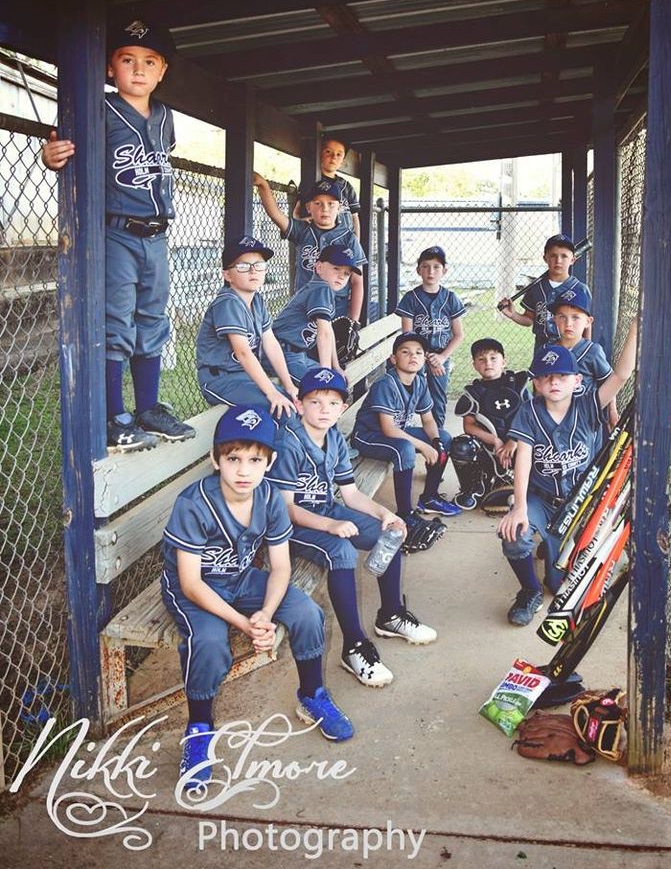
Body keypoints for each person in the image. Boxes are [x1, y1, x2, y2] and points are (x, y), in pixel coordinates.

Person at [161, 405, 354, 789]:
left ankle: (312, 694)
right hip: (198, 589)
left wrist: (265, 612)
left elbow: (280, 567)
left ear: (271, 461)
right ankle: (199, 728)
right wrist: (243, 624)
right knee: (210, 642)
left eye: (255, 459)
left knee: (306, 613)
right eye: (233, 458)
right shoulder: (194, 503)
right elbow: (191, 585)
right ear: (215, 459)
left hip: (242, 578)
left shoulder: (268, 497)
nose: (244, 470)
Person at [41, 18, 195, 451]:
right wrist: (53, 157)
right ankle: (116, 415)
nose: (139, 69)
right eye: (128, 60)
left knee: (153, 319)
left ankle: (148, 408)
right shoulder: (99, 108)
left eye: (149, 61)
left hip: (159, 235)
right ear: (110, 68)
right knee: (117, 324)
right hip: (118, 233)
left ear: (162, 71)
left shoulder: (165, 117)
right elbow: (63, 151)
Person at [267, 367, 436, 688]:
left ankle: (391, 614)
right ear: (299, 404)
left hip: (327, 510)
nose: (324, 410)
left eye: (332, 403)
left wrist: (384, 514)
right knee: (341, 551)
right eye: (315, 402)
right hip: (288, 528)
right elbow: (284, 509)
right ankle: (354, 646)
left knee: (392, 533)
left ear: (343, 408)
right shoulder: (289, 442)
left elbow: (351, 493)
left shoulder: (333, 437)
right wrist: (331, 524)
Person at [497, 319, 637, 627]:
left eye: (562, 375)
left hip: (581, 504)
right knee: (514, 536)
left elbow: (622, 374)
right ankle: (529, 590)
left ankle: (551, 559)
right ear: (536, 383)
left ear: (577, 380)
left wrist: (637, 325)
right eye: (546, 377)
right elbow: (524, 457)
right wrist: (518, 506)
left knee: (559, 582)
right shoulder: (530, 411)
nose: (554, 382)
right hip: (541, 499)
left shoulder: (588, 404)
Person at [351, 332, 462, 547]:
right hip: (369, 436)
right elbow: (389, 429)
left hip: (394, 434)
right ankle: (405, 512)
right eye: (406, 352)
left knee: (445, 438)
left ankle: (429, 497)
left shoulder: (420, 381)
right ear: (394, 359)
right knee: (405, 449)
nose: (413, 356)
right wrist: (422, 445)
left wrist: (436, 442)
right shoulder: (386, 383)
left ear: (424, 358)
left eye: (419, 353)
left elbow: (428, 420)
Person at [196, 235, 298, 418]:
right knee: (281, 410)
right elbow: (243, 352)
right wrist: (272, 392)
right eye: (243, 266)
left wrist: (289, 385)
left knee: (294, 402)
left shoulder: (257, 300)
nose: (253, 271)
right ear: (227, 275)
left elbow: (271, 344)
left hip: (244, 377)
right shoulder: (228, 302)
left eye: (259, 265)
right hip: (221, 379)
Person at [253, 171, 366, 320]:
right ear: (309, 207)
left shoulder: (348, 238)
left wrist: (353, 321)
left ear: (339, 208)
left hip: (336, 309)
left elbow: (357, 281)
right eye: (318, 203)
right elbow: (276, 215)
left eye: (331, 204)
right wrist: (263, 186)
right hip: (304, 308)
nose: (325, 209)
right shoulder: (303, 231)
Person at [450, 337, 528, 510]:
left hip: (520, 443)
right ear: (474, 365)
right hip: (488, 446)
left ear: (504, 361)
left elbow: (530, 419)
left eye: (494, 358)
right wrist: (495, 440)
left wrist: (513, 441)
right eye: (481, 359)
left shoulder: (518, 386)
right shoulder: (474, 393)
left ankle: (529, 489)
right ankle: (474, 488)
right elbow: (469, 426)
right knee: (461, 446)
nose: (488, 363)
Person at [395, 245, 466, 428]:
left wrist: (441, 358)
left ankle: (438, 433)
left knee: (438, 396)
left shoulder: (450, 298)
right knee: (409, 390)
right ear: (418, 270)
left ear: (444, 270)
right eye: (425, 266)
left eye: (436, 267)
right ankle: (404, 427)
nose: (430, 271)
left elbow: (458, 335)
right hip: (415, 355)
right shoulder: (411, 298)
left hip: (442, 355)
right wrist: (427, 358)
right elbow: (408, 336)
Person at [269, 244, 360, 385]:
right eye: (336, 268)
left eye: (347, 273)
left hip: (296, 355)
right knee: (324, 386)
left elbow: (328, 331)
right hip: (280, 354)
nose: (341, 276)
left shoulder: (323, 289)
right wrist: (326, 371)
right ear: (319, 267)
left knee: (335, 383)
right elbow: (323, 333)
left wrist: (335, 366)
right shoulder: (321, 289)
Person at [499, 233, 592, 351]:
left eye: (564, 256)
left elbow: (586, 325)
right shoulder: (536, 288)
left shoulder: (580, 289)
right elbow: (529, 319)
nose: (558, 260)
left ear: (572, 259)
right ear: (545, 259)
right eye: (553, 256)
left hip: (572, 349)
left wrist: (587, 350)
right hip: (542, 348)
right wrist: (513, 315)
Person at [549, 287, 619, 429]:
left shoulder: (592, 352)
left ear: (588, 321)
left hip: (585, 424)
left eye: (575, 317)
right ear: (555, 320)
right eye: (562, 317)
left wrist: (612, 411)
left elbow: (609, 382)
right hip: (553, 422)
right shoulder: (547, 351)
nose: (568, 323)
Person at [292, 135, 360, 236]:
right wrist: (301, 220)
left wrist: (356, 243)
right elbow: (296, 211)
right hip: (320, 238)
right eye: (328, 152)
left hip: (345, 240)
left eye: (339, 154)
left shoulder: (346, 186)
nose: (333, 157)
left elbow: (355, 217)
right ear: (320, 154)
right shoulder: (310, 181)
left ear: (342, 161)